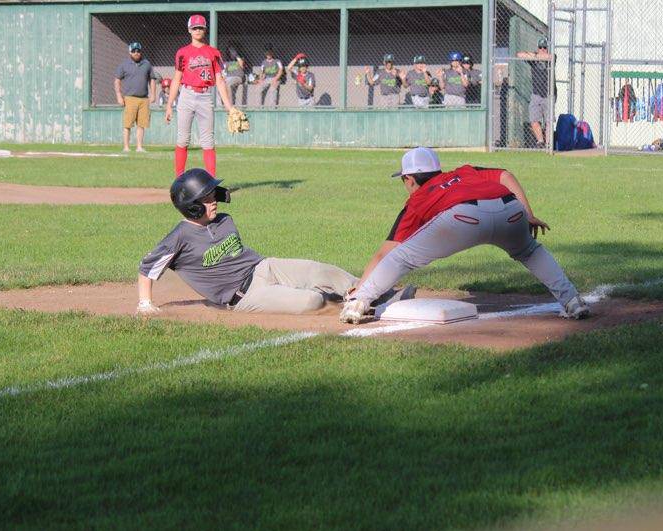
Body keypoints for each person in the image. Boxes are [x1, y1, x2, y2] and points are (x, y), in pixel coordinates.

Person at [340, 147, 590, 324]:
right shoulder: (464, 171)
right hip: (511, 210)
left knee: (401, 258)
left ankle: (358, 304)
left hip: (462, 218)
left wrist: (359, 288)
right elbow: (505, 175)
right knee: (530, 251)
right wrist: (528, 213)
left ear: (409, 179)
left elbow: (386, 252)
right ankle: (572, 301)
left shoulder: (416, 200)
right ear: (437, 170)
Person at [137, 169, 415, 316]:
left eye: (213, 195)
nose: (214, 201)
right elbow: (147, 268)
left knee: (319, 272)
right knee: (312, 300)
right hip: (244, 297)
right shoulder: (179, 237)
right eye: (207, 198)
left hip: (263, 267)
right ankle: (355, 306)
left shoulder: (224, 220)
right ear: (191, 207)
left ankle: (376, 293)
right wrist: (145, 303)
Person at [165, 14, 238, 177]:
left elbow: (220, 81)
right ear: (189, 30)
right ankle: (179, 180)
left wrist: (229, 107)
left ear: (205, 30)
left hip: (205, 97)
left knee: (208, 141)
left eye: (200, 27)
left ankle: (211, 183)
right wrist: (169, 104)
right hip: (186, 95)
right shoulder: (182, 53)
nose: (197, 30)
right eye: (194, 28)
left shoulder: (213, 53)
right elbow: (176, 79)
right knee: (183, 139)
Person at [114, 42, 157, 152]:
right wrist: (119, 96)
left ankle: (139, 147)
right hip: (129, 98)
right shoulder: (124, 65)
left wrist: (153, 94)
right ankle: (126, 147)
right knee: (127, 124)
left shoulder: (146, 64)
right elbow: (117, 80)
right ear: (129, 52)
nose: (136, 53)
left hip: (144, 99)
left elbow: (152, 79)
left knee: (141, 124)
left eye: (138, 51)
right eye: (133, 51)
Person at [516, 37, 556, 148]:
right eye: (541, 47)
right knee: (534, 120)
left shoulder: (552, 56)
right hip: (536, 94)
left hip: (549, 94)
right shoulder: (534, 59)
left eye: (545, 47)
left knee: (548, 121)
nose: (543, 49)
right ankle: (540, 142)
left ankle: (549, 144)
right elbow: (519, 54)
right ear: (537, 48)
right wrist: (534, 56)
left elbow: (549, 57)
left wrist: (534, 56)